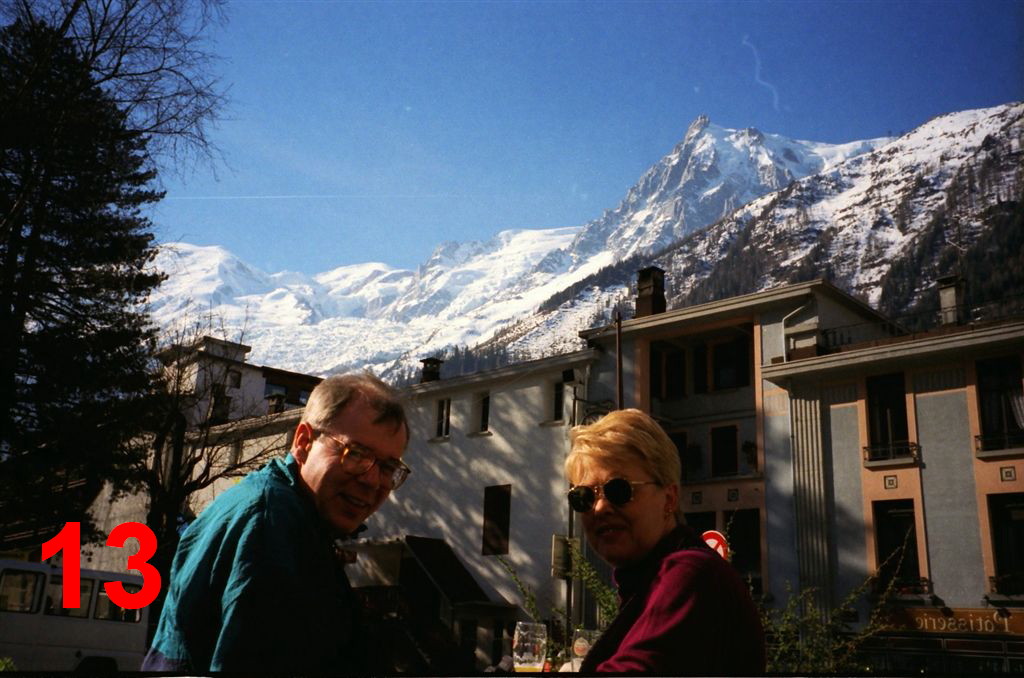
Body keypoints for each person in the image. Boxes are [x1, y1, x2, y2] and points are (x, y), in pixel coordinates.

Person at [142, 373, 410, 672]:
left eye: (388, 467)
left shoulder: (271, 507)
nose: (372, 480)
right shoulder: (273, 528)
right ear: (304, 442)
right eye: (356, 454)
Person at [566, 408, 765, 674]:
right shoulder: (650, 580)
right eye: (583, 497)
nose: (599, 508)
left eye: (619, 490)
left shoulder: (690, 574)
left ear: (669, 498)